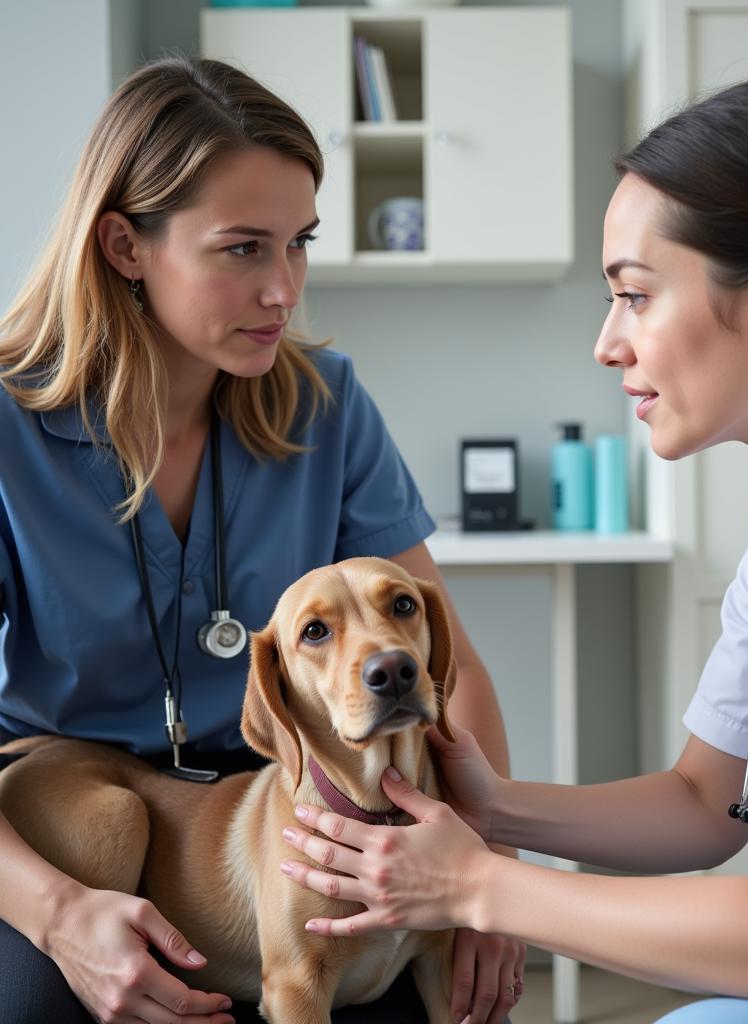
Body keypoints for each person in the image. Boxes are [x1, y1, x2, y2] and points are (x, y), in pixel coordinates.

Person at [276, 76, 748, 1022]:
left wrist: (478, 887)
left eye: (633, 296)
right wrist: (492, 807)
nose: (606, 343)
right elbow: (704, 801)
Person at [0, 56, 526, 1024]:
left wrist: (489, 875)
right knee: (39, 1004)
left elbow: (450, 662)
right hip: (52, 820)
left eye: (299, 244)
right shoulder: (6, 424)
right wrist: (62, 909)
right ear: (124, 244)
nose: (284, 290)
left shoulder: (327, 403)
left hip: (286, 799)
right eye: (243, 249)